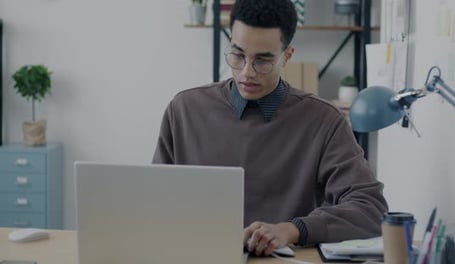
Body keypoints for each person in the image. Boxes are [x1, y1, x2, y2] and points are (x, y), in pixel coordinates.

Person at [153, 0, 388, 256]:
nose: (247, 72)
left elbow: (370, 208)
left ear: (286, 56)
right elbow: (151, 201)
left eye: (262, 61)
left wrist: (292, 229)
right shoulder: (184, 110)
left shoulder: (323, 120)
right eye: (238, 55)